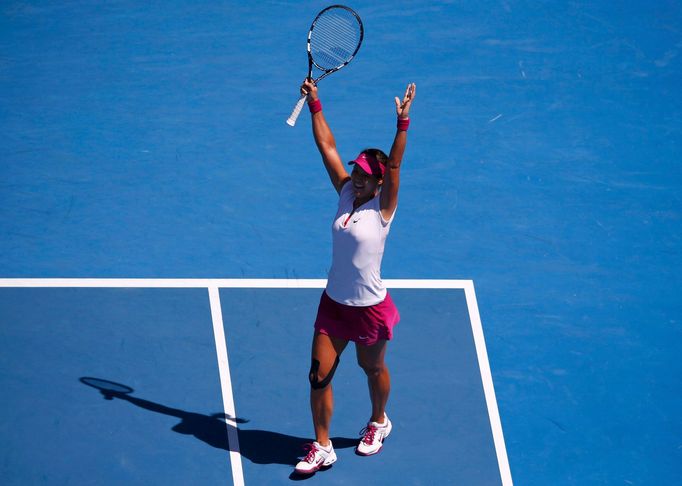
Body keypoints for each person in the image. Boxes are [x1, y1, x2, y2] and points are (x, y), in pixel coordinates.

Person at [294, 78, 416, 475]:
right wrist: (315, 104)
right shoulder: (346, 192)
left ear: (380, 181)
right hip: (333, 305)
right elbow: (327, 147)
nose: (358, 178)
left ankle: (379, 421)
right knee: (318, 376)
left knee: (372, 369)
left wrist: (402, 124)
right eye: (357, 172)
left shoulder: (384, 208)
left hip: (369, 309)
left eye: (366, 175)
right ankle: (323, 445)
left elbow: (395, 164)